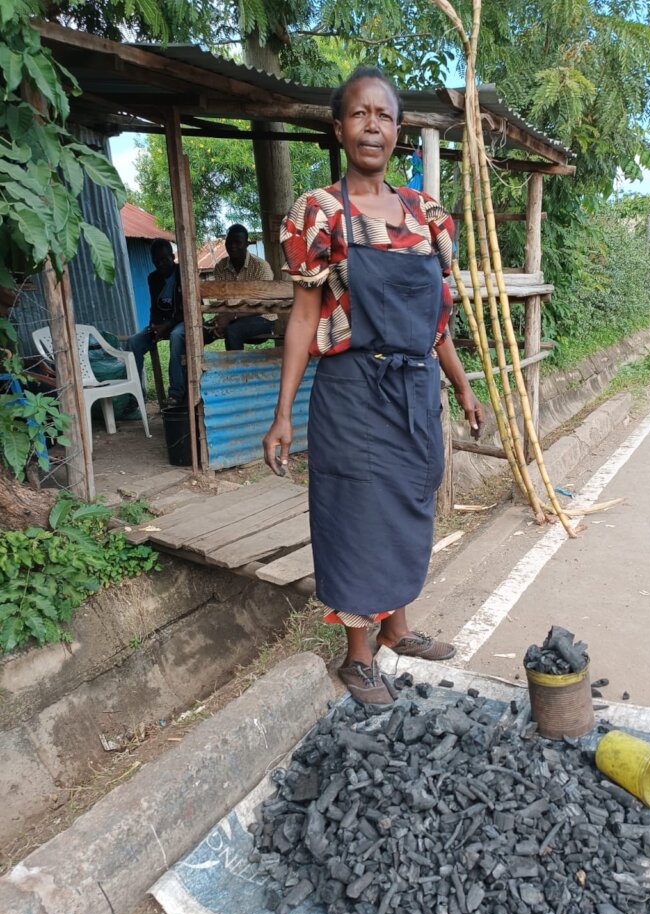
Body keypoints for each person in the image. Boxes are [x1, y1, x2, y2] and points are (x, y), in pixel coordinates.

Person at [262, 67, 483, 709]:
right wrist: (282, 414)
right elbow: (304, 318)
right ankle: (358, 657)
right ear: (339, 129)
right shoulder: (320, 213)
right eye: (359, 114)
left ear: (398, 130)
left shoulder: (426, 216)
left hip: (415, 389)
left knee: (408, 504)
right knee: (358, 513)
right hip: (354, 390)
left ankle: (397, 630)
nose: (372, 126)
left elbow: (435, 324)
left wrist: (463, 388)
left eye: (383, 115)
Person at [123, 239, 188, 405]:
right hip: (163, 326)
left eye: (164, 259)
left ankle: (176, 393)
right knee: (134, 343)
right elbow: (154, 307)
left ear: (172, 257)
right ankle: (134, 398)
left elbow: (187, 310)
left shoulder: (183, 273)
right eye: (156, 261)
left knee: (176, 336)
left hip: (184, 322)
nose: (160, 264)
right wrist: (154, 326)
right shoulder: (153, 278)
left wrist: (165, 326)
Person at [211, 224, 278, 349]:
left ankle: (234, 363)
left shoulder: (260, 267)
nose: (232, 246)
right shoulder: (220, 267)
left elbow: (263, 306)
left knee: (232, 331)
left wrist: (231, 317)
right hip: (231, 318)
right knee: (200, 331)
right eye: (229, 242)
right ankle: (196, 362)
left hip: (262, 318)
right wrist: (221, 319)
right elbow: (221, 300)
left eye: (238, 242)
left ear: (247, 244)